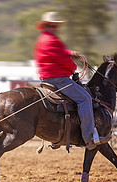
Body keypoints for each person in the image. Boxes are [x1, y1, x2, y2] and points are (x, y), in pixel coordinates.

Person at [34, 11, 110, 150]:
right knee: (85, 98)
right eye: (52, 25)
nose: (55, 28)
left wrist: (72, 53)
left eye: (55, 26)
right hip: (58, 79)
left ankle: (57, 137)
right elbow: (63, 59)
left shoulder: (43, 40)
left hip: (46, 78)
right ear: (47, 25)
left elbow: (59, 53)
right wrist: (73, 66)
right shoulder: (53, 40)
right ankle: (89, 137)